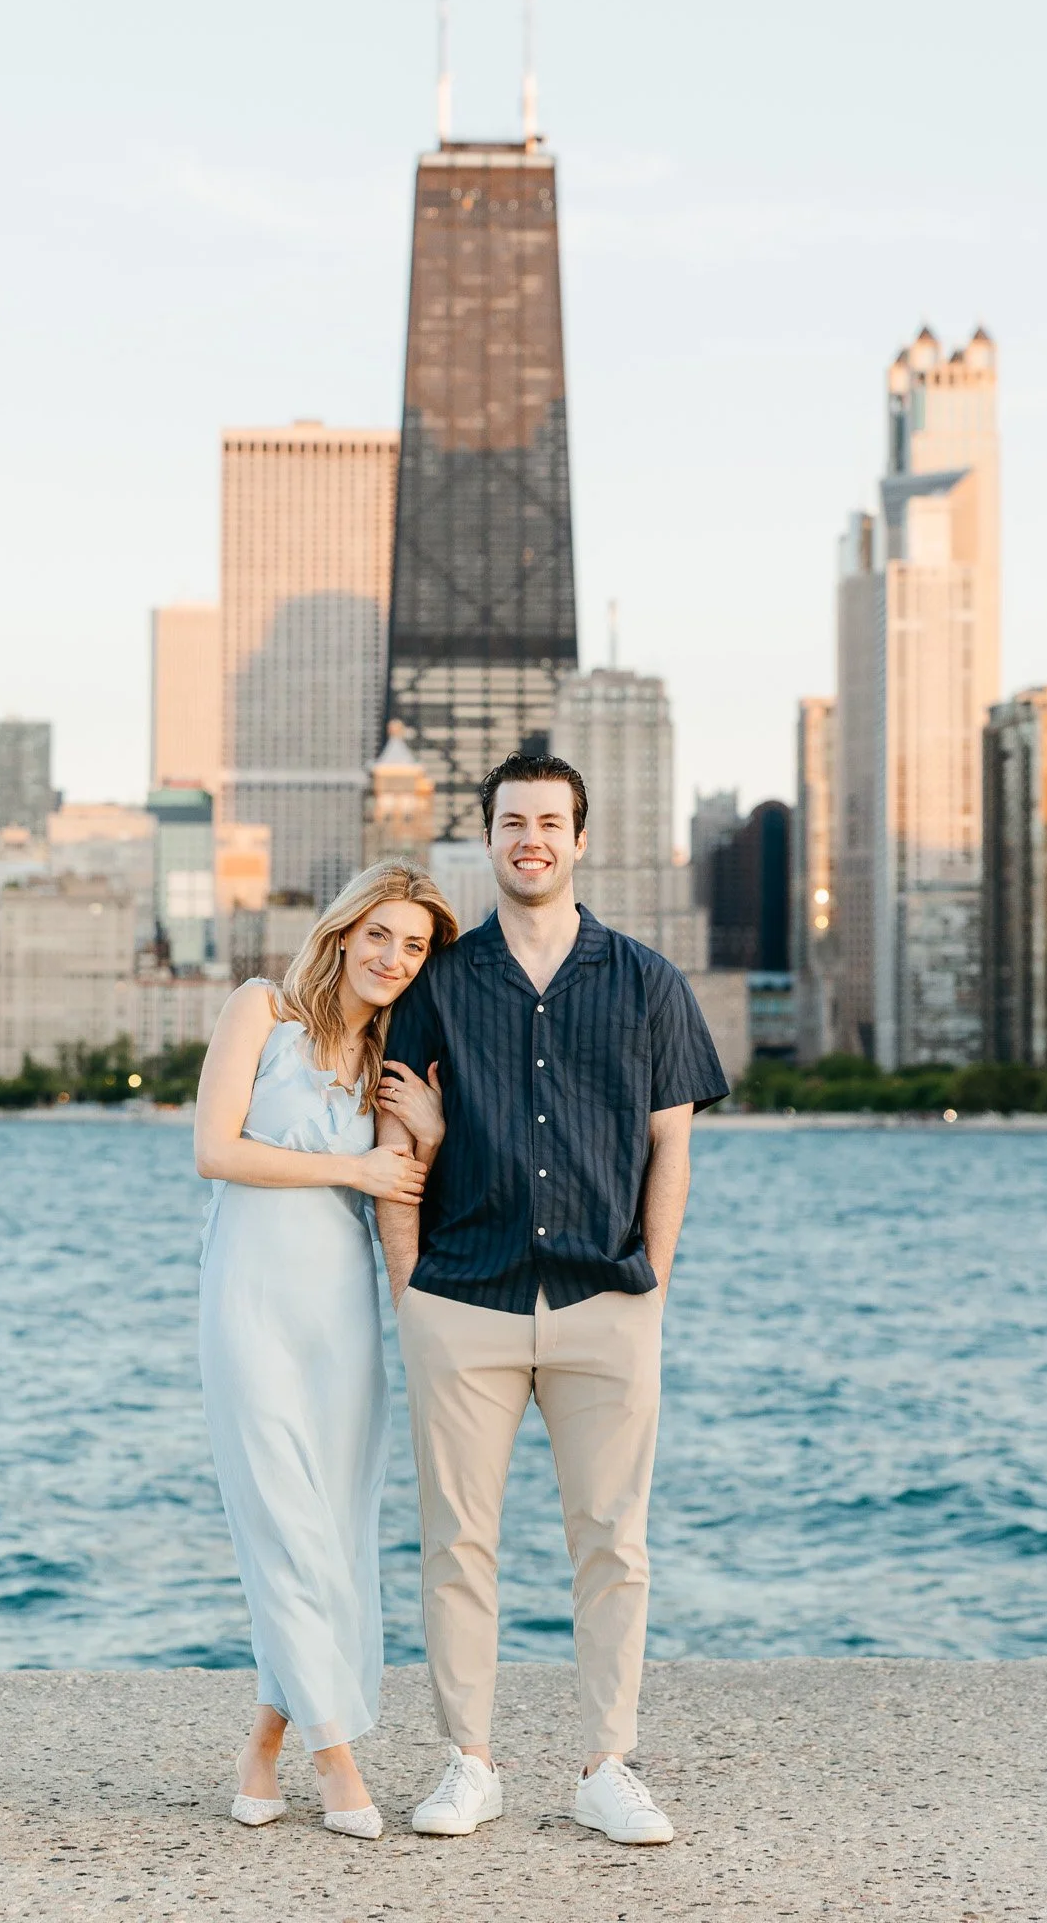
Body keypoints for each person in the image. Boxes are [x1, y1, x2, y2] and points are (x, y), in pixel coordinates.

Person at [375, 752, 728, 1845]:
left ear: (580, 840)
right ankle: (466, 1759)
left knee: (613, 1540)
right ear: (486, 840)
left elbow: (672, 1144)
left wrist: (651, 1287)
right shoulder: (436, 983)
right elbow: (395, 1142)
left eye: (549, 821)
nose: (529, 837)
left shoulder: (646, 981)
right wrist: (409, 1297)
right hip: (461, 1299)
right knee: (455, 1540)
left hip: (604, 1298)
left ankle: (605, 1764)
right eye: (510, 820)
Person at [194, 859, 456, 1841]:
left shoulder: (391, 1057)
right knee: (285, 1528)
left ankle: (260, 1745)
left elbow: (401, 1189)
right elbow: (214, 1148)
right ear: (344, 931)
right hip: (250, 1303)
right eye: (380, 934)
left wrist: (423, 1135)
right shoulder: (261, 1010)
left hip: (341, 1314)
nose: (393, 956)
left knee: (334, 1537)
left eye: (415, 944)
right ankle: (334, 1759)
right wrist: (349, 1162)